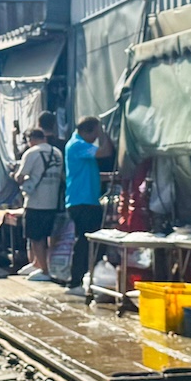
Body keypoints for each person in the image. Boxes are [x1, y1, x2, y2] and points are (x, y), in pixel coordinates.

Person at [64, 116, 114, 296]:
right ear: (87, 131)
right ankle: (75, 281)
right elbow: (106, 151)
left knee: (88, 242)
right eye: (94, 134)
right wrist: (103, 133)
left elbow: (87, 172)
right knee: (85, 243)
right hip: (82, 201)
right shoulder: (78, 145)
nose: (95, 138)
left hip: (86, 199)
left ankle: (85, 278)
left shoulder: (78, 145)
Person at [13, 128, 63, 281]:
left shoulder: (31, 153)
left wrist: (14, 175)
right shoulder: (57, 153)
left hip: (35, 202)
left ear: (31, 139)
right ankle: (37, 264)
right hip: (52, 201)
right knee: (47, 236)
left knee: (35, 237)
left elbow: (20, 177)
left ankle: (44, 270)